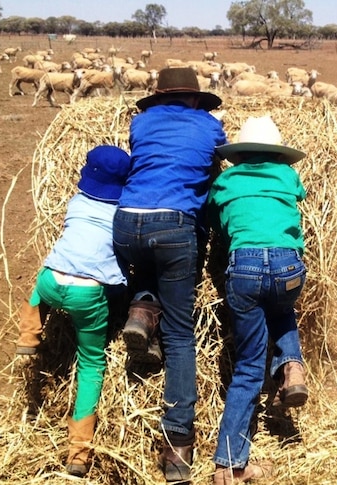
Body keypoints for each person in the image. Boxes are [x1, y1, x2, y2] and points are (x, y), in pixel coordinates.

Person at [112, 66, 227, 482]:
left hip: (125, 223)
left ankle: (141, 309)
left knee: (146, 262)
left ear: (159, 97)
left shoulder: (140, 122)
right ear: (195, 99)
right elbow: (220, 161)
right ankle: (178, 445)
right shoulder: (209, 125)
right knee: (180, 336)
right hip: (174, 225)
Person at [15, 145, 131, 477]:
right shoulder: (121, 215)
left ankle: (29, 333)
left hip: (51, 283)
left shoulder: (76, 203)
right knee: (91, 366)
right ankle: (79, 452)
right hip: (86, 294)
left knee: (47, 273)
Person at [207, 115, 310, 484]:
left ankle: (229, 466)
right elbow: (298, 202)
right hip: (288, 265)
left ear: (239, 154)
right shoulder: (287, 176)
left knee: (249, 369)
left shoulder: (225, 180)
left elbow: (220, 228)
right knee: (283, 307)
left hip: (245, 268)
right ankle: (292, 366)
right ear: (277, 153)